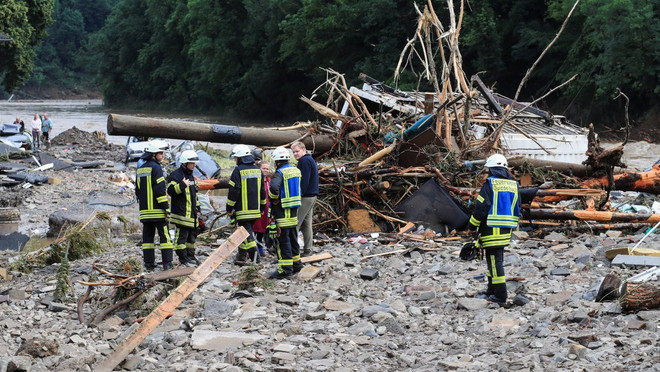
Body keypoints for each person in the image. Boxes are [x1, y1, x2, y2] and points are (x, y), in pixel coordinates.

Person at [467, 154, 520, 305]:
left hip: (491, 229)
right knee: (493, 261)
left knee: (495, 263)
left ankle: (500, 295)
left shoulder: (490, 184)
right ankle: (491, 290)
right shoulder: (513, 185)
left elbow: (481, 208)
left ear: (491, 169)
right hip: (505, 230)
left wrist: (472, 225)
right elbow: (517, 207)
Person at [136, 140, 174, 271]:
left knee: (147, 239)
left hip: (145, 211)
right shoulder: (157, 168)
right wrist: (166, 207)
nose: (162, 155)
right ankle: (167, 263)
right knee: (165, 237)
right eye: (160, 153)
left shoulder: (141, 169)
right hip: (158, 211)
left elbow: (137, 190)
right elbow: (159, 191)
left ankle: (149, 263)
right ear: (153, 155)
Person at [227, 144, 266, 265]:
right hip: (255, 210)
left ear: (240, 158)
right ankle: (241, 256)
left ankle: (255, 259)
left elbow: (234, 191)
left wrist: (229, 208)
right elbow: (262, 191)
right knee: (243, 233)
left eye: (235, 158)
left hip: (243, 211)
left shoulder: (238, 171)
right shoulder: (257, 170)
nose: (235, 160)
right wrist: (262, 207)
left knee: (247, 236)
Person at [268, 147, 303, 278]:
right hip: (294, 209)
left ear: (277, 161)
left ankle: (285, 269)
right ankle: (297, 264)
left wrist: (274, 198)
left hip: (282, 210)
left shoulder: (280, 172)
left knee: (283, 240)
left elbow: (273, 187)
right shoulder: (296, 170)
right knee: (293, 237)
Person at [167, 150, 201, 266]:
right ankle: (183, 258)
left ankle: (190, 256)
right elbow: (170, 191)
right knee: (181, 238)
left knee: (192, 238)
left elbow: (194, 194)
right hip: (181, 215)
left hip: (191, 214)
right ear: (185, 163)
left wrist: (198, 208)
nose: (194, 165)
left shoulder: (190, 176)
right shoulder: (175, 175)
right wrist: (182, 185)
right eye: (192, 163)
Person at [291, 141, 318, 256]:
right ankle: (308, 249)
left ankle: (292, 250)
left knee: (295, 223)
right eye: (293, 152)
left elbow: (304, 181)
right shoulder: (309, 159)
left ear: (304, 150)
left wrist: (298, 196)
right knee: (307, 224)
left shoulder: (305, 161)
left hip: (306, 197)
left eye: (297, 151)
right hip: (312, 195)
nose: (295, 154)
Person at [252, 160, 272, 257]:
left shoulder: (269, 181)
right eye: (263, 168)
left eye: (267, 169)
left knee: (263, 229)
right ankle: (252, 250)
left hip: (267, 209)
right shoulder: (255, 180)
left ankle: (260, 248)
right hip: (257, 208)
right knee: (255, 228)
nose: (265, 170)